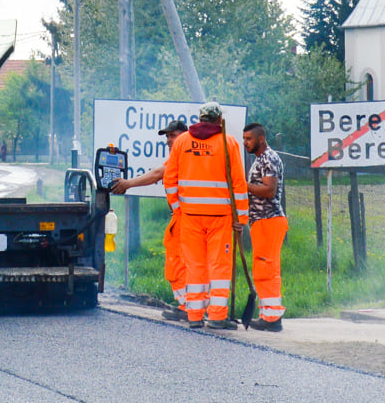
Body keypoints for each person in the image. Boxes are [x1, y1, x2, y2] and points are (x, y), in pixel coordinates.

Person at [161, 103, 249, 327]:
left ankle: (194, 316)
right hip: (220, 217)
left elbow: (169, 180)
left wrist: (178, 209)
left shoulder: (182, 141)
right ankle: (217, 317)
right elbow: (238, 183)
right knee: (219, 267)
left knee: (194, 266)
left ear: (200, 118)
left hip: (190, 216)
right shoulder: (228, 142)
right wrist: (241, 219)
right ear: (219, 120)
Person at [111, 118, 191, 320]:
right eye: (167, 137)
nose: (169, 140)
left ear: (184, 136)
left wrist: (128, 183)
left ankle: (187, 306)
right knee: (189, 263)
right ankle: (194, 306)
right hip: (188, 217)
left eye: (173, 136)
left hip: (185, 219)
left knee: (178, 263)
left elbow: (157, 174)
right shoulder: (186, 156)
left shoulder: (183, 156)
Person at [241, 122, 286, 332]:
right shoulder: (261, 159)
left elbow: (269, 190)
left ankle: (272, 318)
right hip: (262, 221)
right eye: (244, 139)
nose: (245, 143)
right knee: (263, 269)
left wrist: (242, 185)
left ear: (261, 139)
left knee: (266, 269)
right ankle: (268, 315)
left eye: (249, 139)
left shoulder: (269, 158)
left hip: (269, 219)